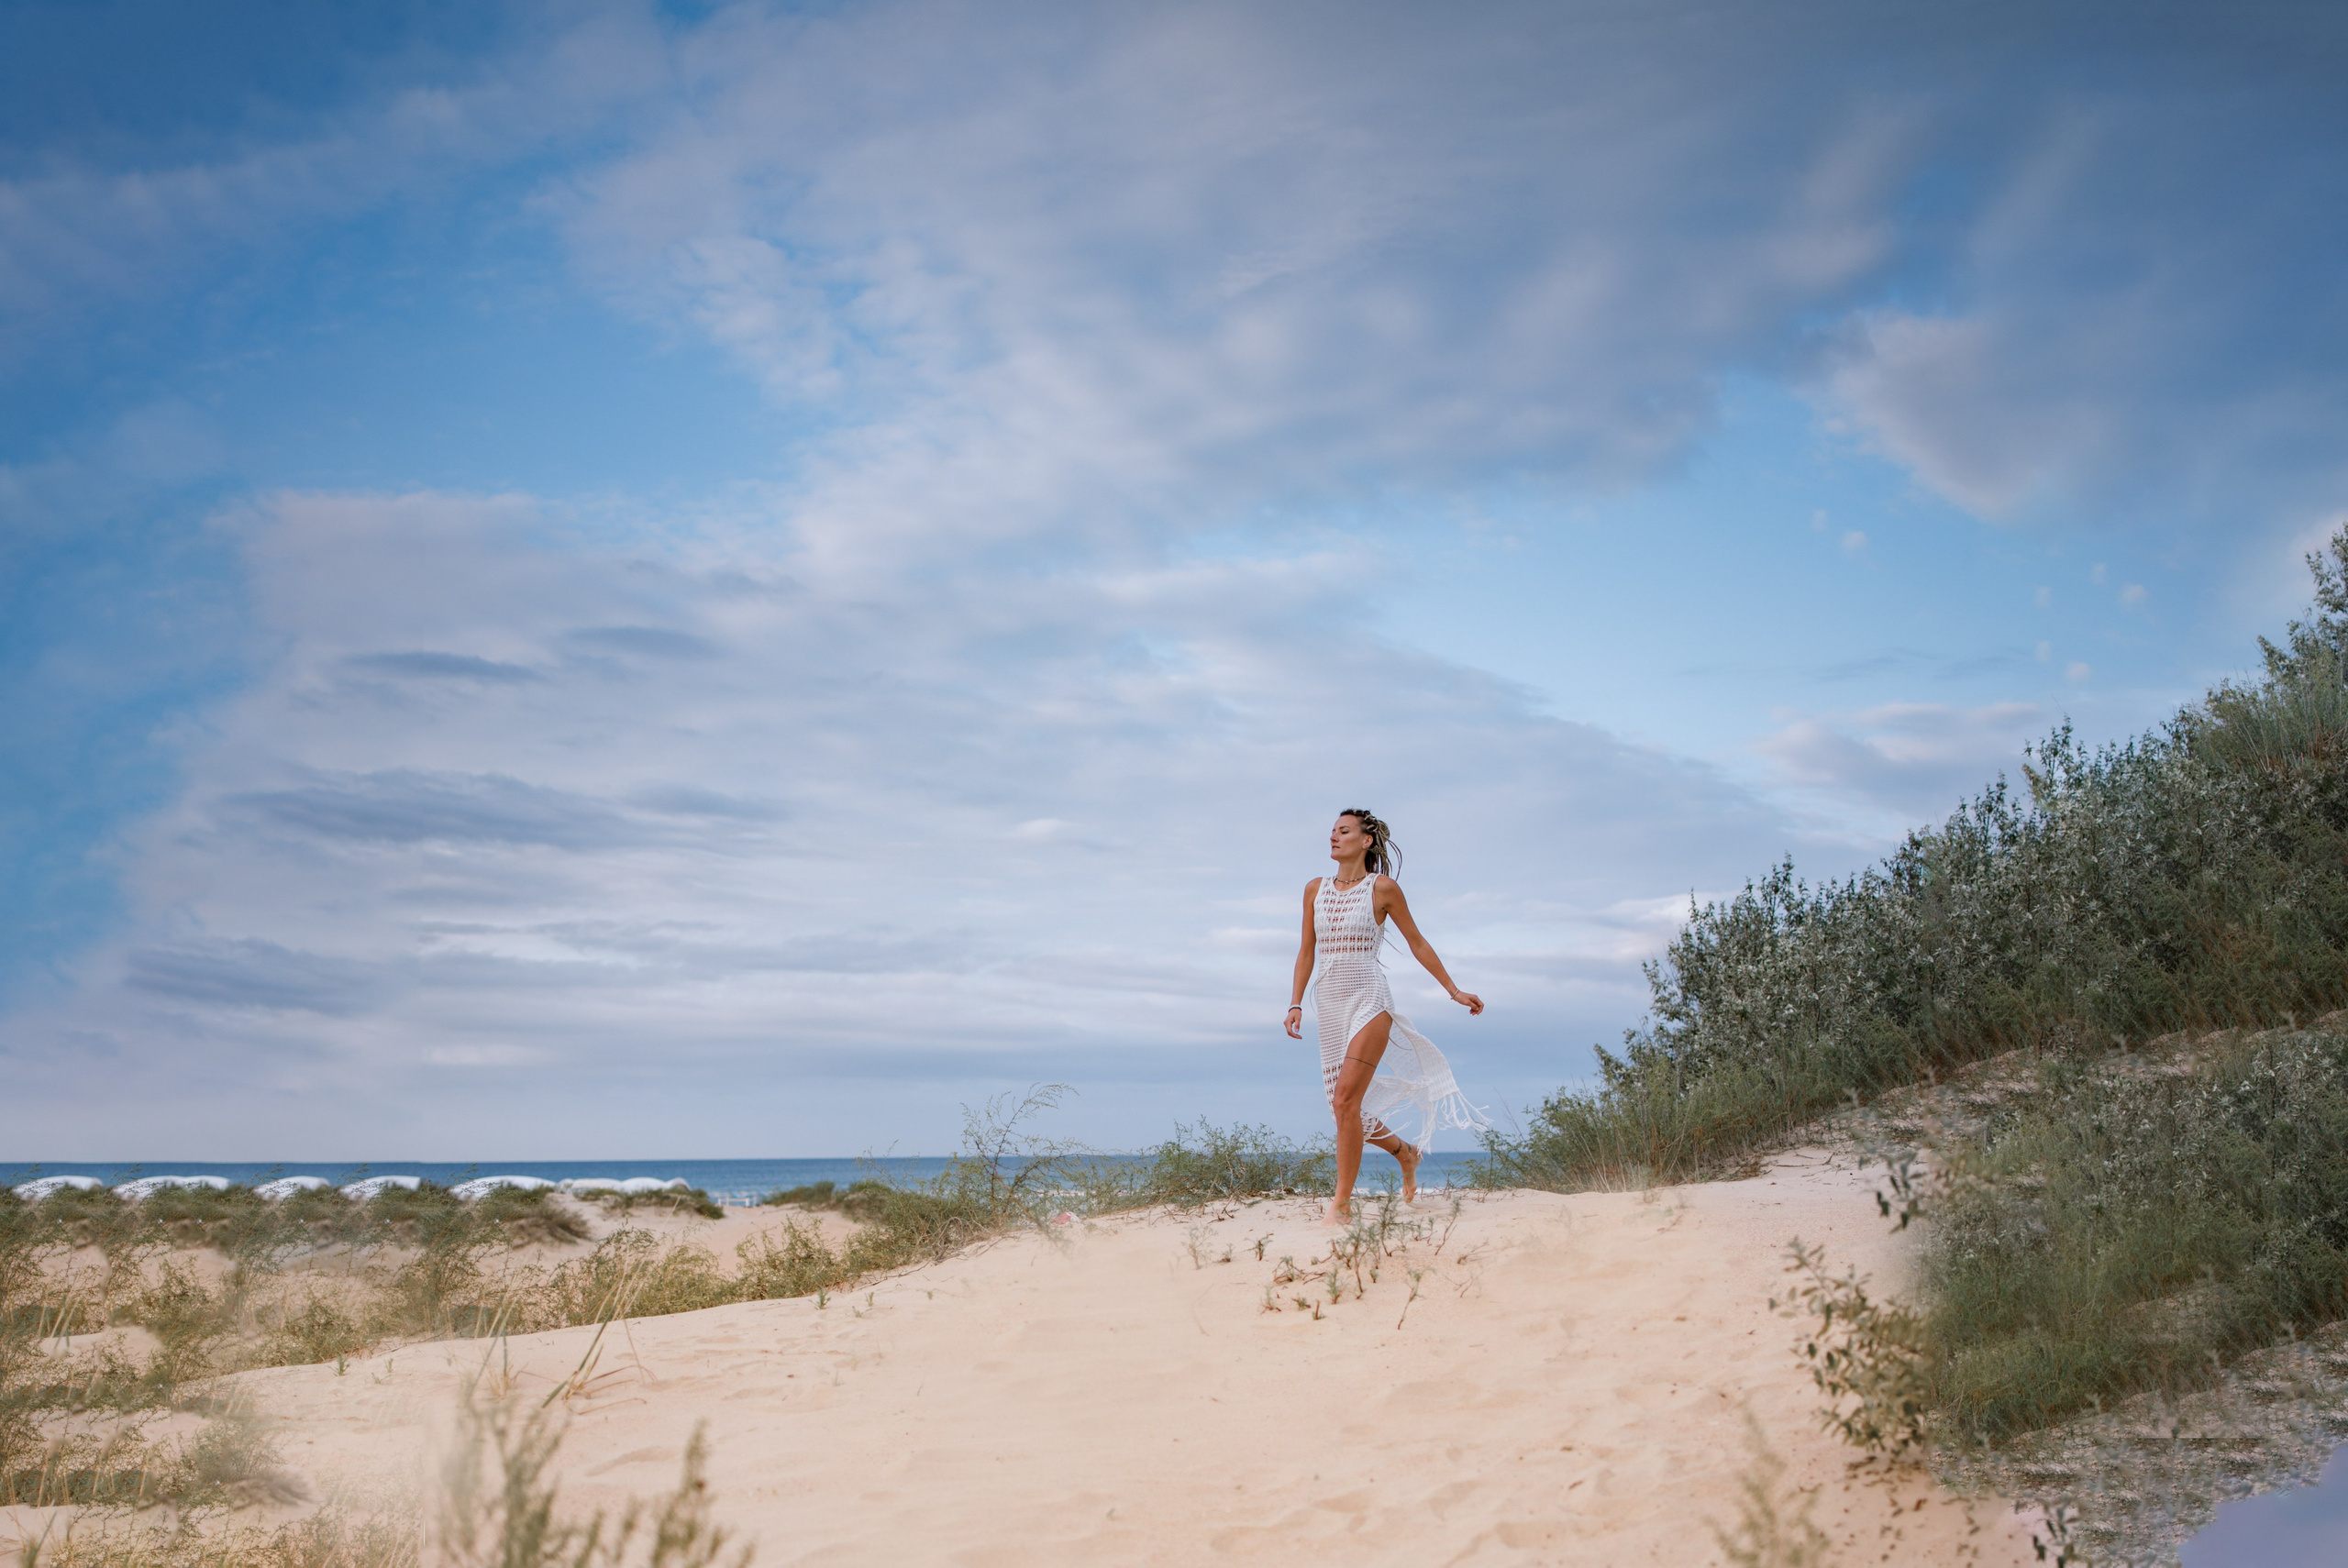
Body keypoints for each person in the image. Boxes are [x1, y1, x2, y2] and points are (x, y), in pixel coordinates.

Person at [1284, 809, 1489, 1223]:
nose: (1333, 837)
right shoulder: (1314, 889)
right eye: (1332, 831)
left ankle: (1341, 1205)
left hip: (1370, 1000)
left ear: (1366, 841)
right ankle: (1405, 1153)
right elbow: (1307, 950)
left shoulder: (1382, 888)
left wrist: (1453, 991)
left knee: (1346, 1100)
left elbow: (1418, 942)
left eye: (1343, 831)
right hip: (1330, 1006)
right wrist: (1295, 1003)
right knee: (1343, 1109)